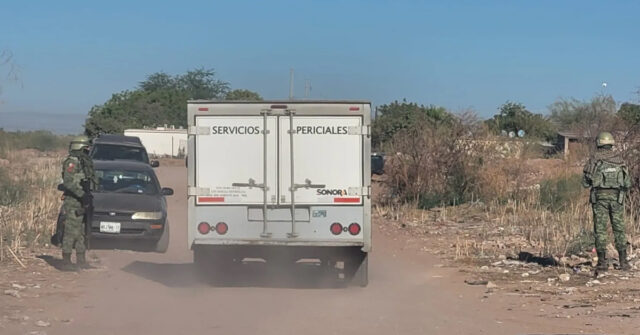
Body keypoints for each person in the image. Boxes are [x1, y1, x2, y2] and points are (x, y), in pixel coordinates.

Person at [582, 132, 632, 272]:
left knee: (600, 230)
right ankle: (623, 262)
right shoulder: (620, 160)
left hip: (599, 199)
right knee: (619, 229)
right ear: (611, 143)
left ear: (599, 143)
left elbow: (585, 183)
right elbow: (627, 183)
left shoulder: (594, 160)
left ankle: (602, 263)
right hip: (617, 199)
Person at [59, 136, 96, 271]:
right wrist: (82, 195)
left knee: (81, 233)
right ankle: (66, 261)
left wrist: (87, 197)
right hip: (73, 201)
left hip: (82, 201)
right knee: (70, 232)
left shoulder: (83, 162)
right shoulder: (71, 162)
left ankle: (81, 260)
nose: (88, 150)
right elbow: (69, 183)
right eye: (86, 148)